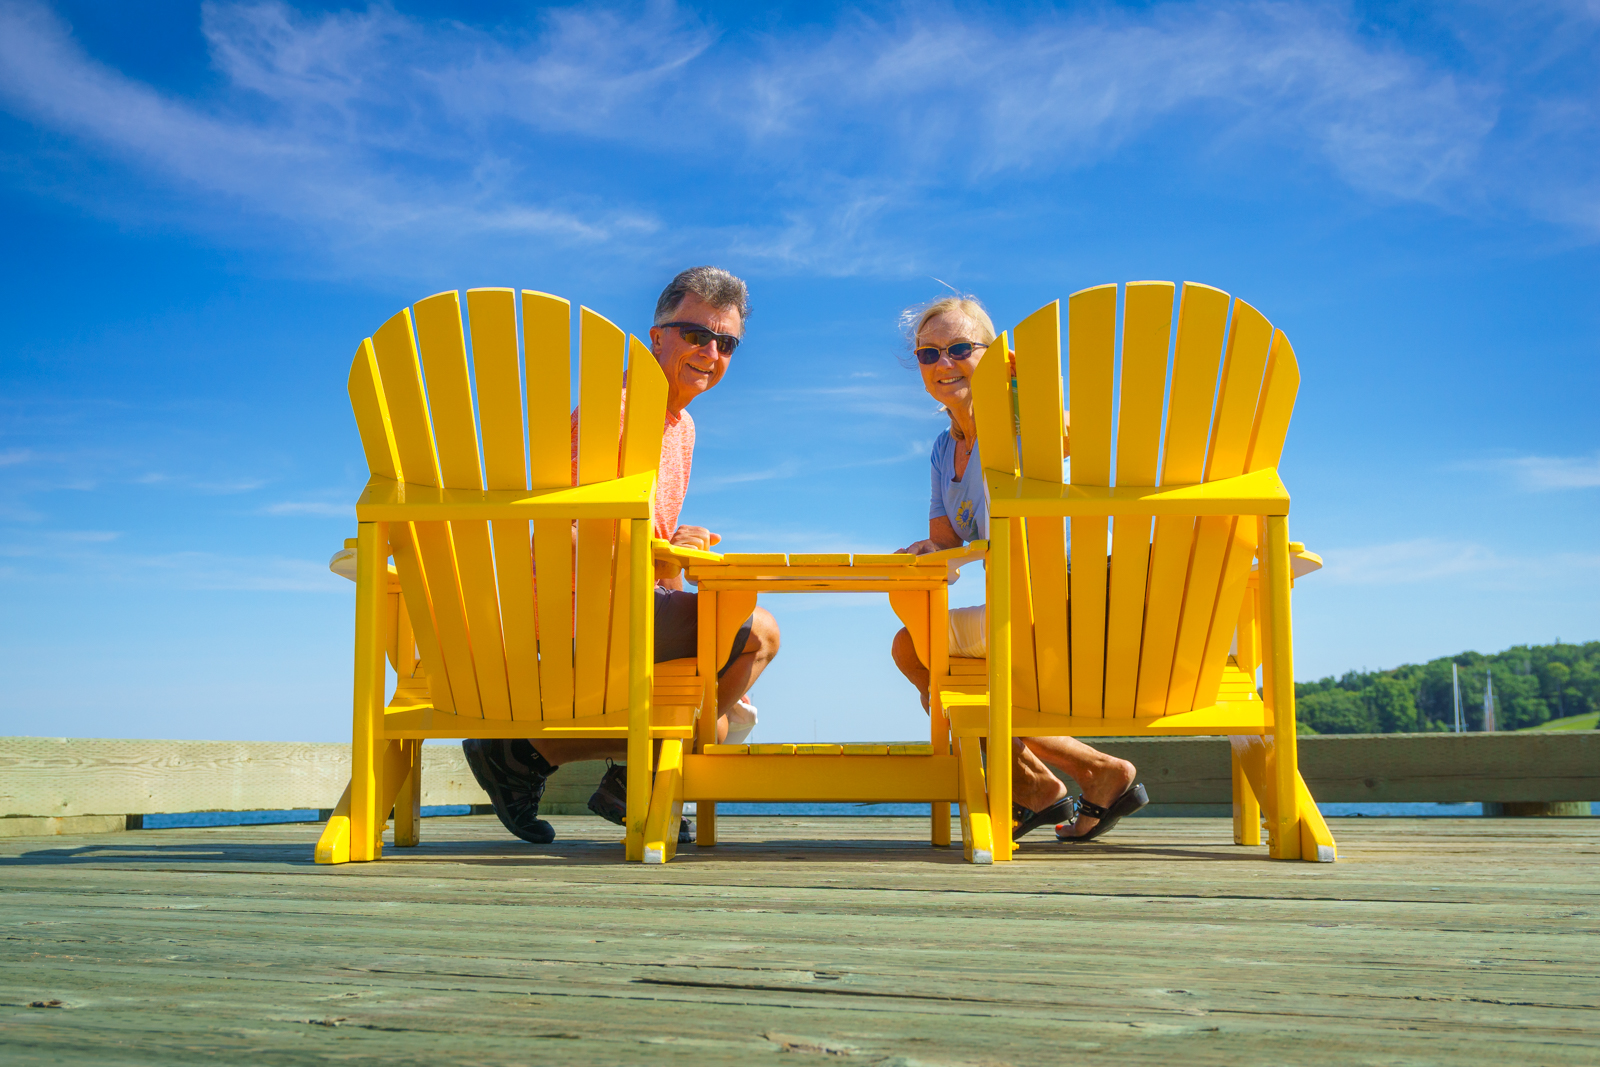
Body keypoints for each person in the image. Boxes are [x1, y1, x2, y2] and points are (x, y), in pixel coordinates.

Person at [465, 267, 781, 845]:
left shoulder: (679, 427)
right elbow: (577, 538)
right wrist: (664, 556)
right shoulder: (620, 413)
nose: (710, 352)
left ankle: (524, 756)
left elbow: (634, 533)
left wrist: (672, 540)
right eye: (694, 334)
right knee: (755, 633)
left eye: (726, 342)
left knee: (718, 706)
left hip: (627, 602)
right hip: (576, 609)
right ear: (655, 337)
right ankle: (629, 777)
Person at [889, 294, 1147, 843]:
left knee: (916, 649)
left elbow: (1104, 456)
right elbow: (947, 545)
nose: (943, 363)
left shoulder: (1034, 427)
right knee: (919, 648)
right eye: (928, 354)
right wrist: (928, 553)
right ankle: (1086, 775)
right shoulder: (943, 451)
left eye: (961, 348)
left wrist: (1033, 398)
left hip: (1073, 602)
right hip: (1018, 605)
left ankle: (1040, 784)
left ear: (1000, 359)